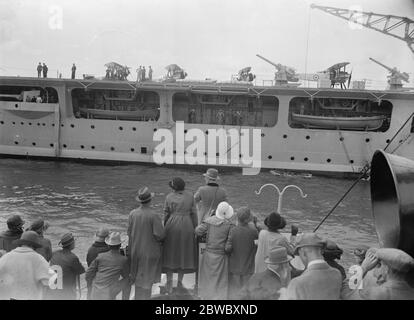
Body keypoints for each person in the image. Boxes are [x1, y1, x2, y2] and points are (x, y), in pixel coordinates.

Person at [128, 187, 165, 300]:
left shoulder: (132, 213)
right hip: (149, 251)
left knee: (138, 279)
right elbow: (160, 235)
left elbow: (129, 232)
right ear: (150, 200)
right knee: (147, 283)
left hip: (135, 250)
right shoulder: (153, 215)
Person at [162, 177, 198, 294]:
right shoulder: (190, 196)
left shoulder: (169, 197)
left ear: (173, 188)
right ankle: (179, 284)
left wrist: (164, 226)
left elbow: (166, 213)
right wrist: (195, 227)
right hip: (187, 225)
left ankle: (168, 285)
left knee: (170, 253)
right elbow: (194, 213)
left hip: (172, 225)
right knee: (183, 253)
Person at [280, 233, 342, 300]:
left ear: (303, 253)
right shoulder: (337, 274)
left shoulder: (297, 283)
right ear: (321, 251)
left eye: (299, 254)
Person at [195, 201, 235, 300]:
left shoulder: (209, 221)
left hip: (208, 254)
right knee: (220, 280)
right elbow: (228, 247)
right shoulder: (230, 225)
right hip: (221, 256)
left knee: (207, 278)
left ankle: (206, 297)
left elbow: (197, 231)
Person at [341, 248, 414, 300]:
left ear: (386, 269)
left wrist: (363, 268)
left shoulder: (372, 293)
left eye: (380, 265)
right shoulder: (411, 293)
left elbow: (345, 293)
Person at [0, 231, 51, 300]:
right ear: (35, 246)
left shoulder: (6, 257)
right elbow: (51, 281)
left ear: (20, 243)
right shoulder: (38, 259)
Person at [85, 232, 130, 300]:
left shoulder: (100, 256)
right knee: (128, 279)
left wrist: (93, 285)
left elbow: (88, 274)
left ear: (108, 246)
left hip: (95, 291)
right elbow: (125, 276)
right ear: (120, 245)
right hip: (109, 293)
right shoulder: (123, 259)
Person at [227, 207, 259, 299]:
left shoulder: (233, 230)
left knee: (234, 293)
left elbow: (227, 248)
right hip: (249, 267)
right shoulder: (254, 231)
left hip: (234, 267)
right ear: (248, 218)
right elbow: (256, 245)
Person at [48, 233, 85, 299]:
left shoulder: (54, 253)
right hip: (66, 293)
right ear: (71, 244)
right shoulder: (73, 257)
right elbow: (80, 272)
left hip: (52, 291)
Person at [86, 227, 110, 299]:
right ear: (107, 237)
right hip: (105, 283)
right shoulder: (109, 250)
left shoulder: (91, 250)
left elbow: (89, 264)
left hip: (92, 280)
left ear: (96, 235)